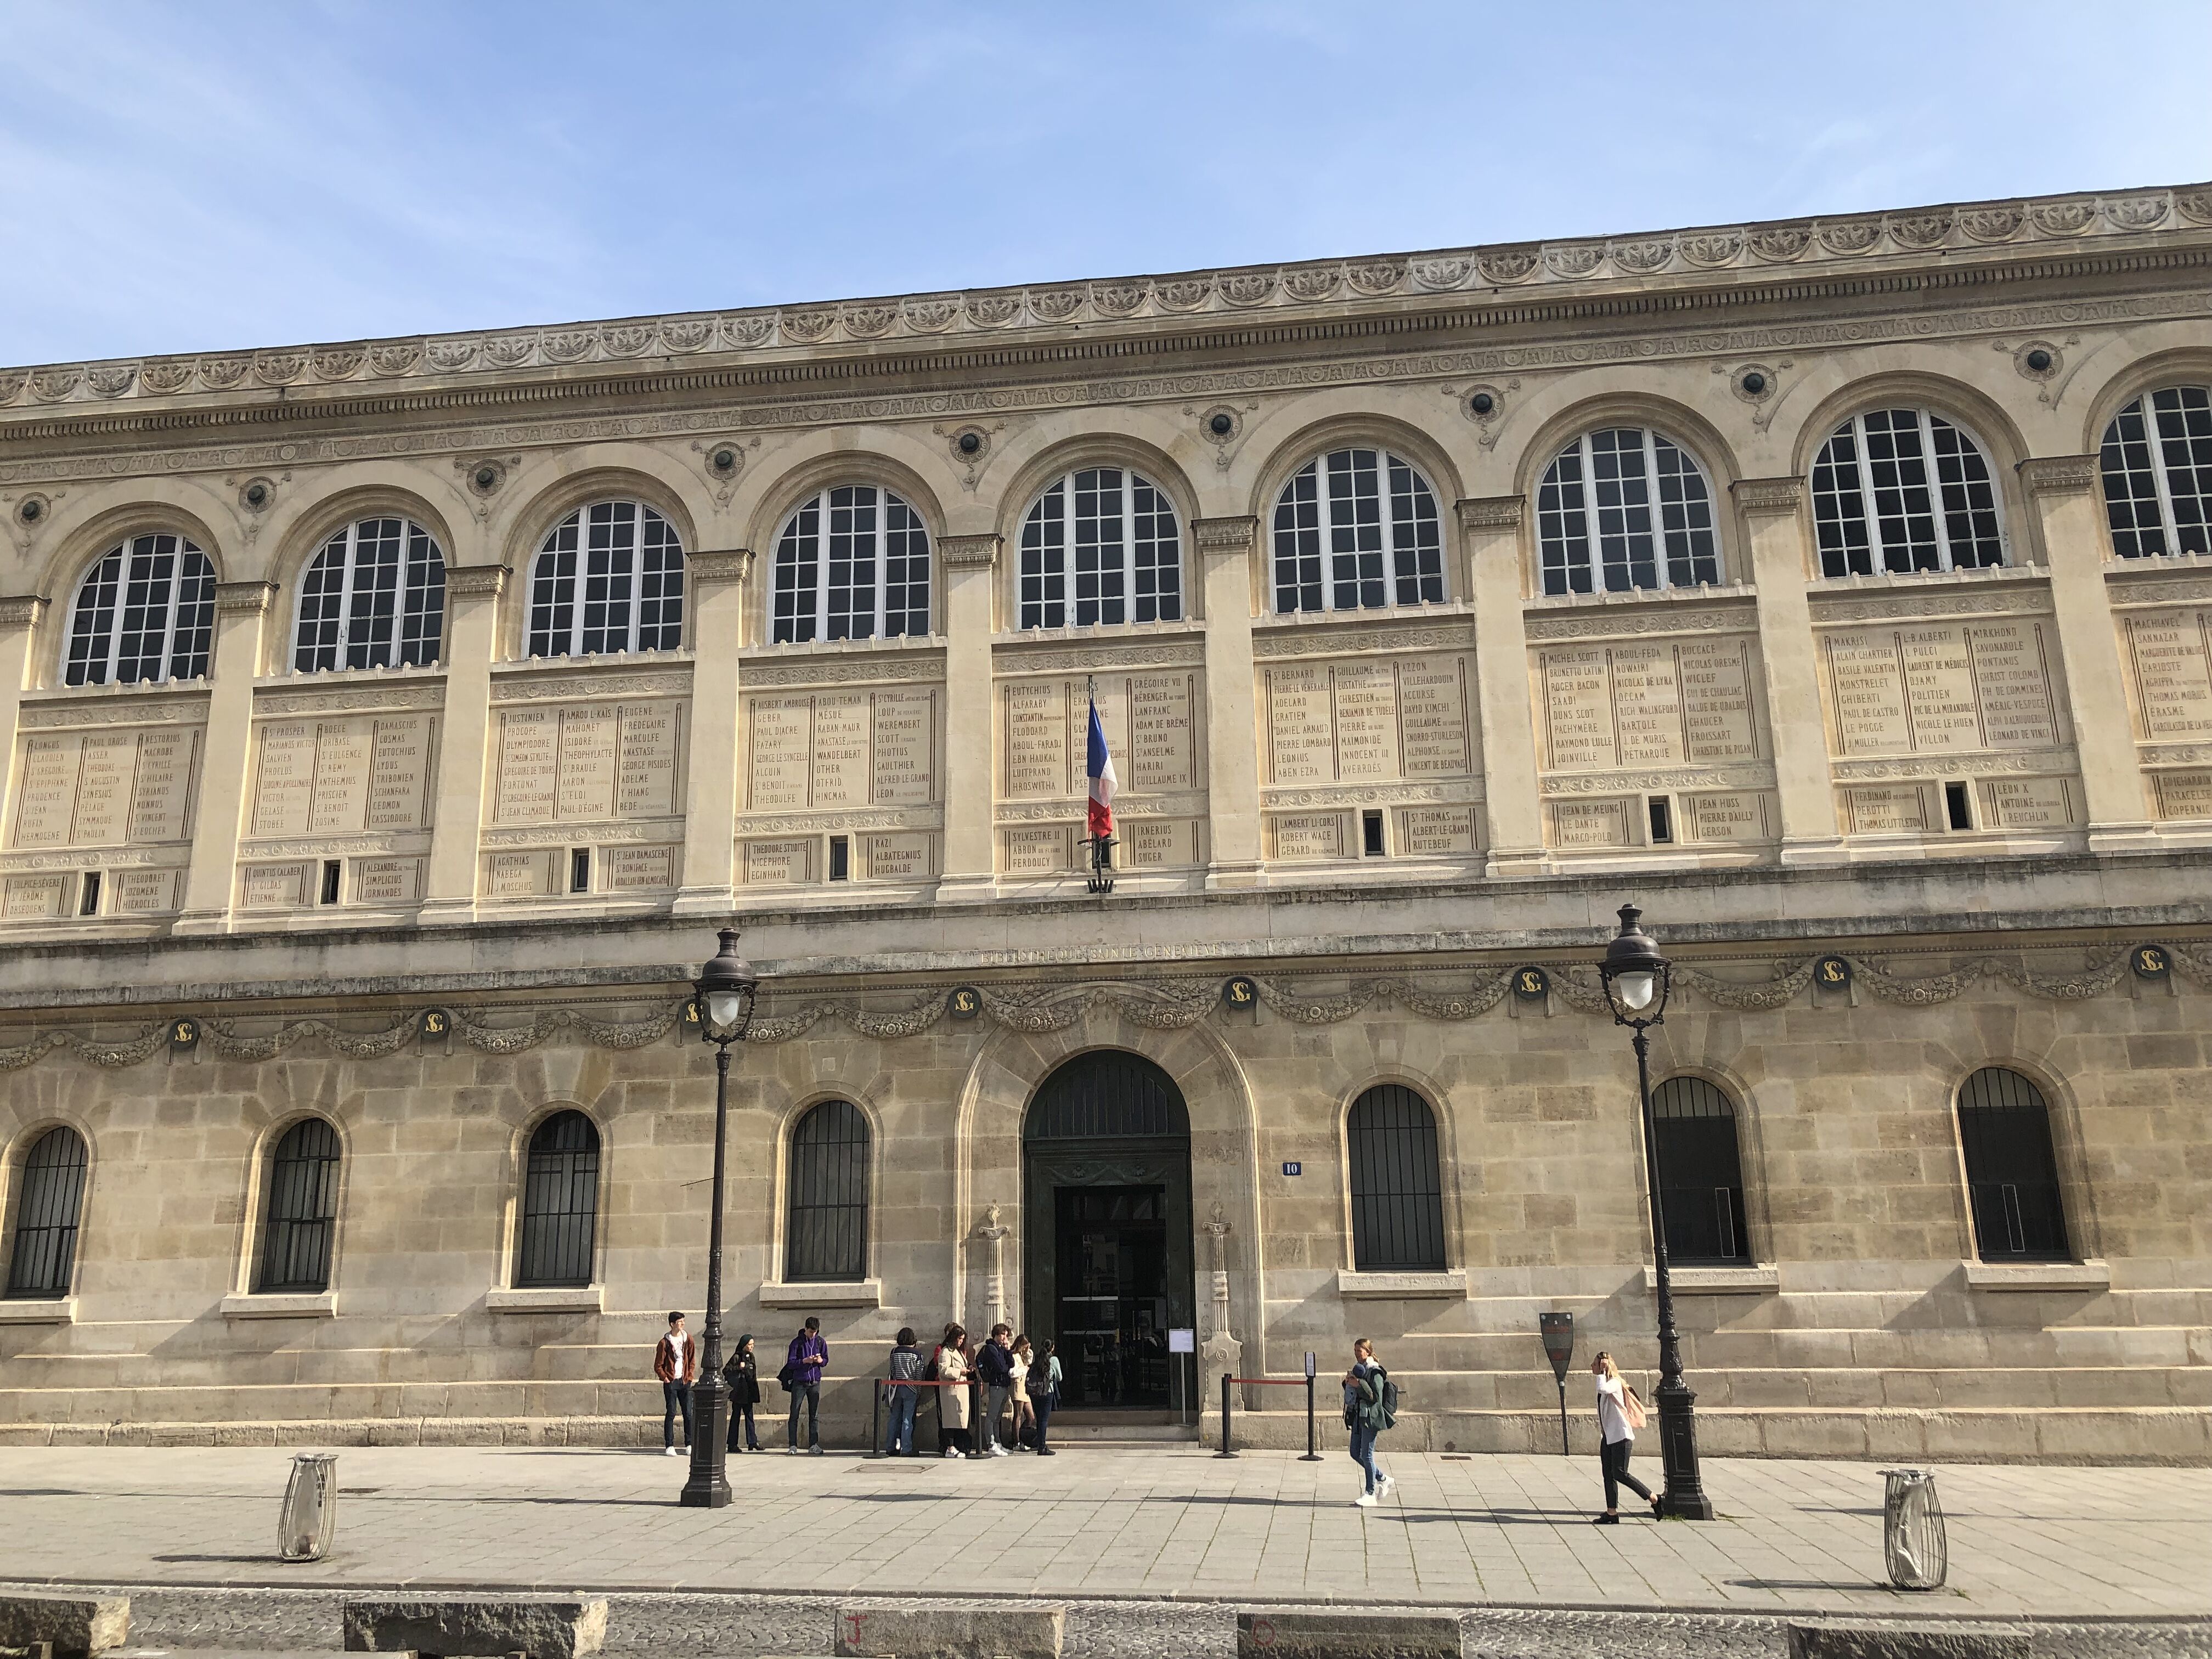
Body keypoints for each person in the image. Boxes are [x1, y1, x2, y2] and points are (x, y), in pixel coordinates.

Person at [1591, 1351, 1660, 1523]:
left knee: (1620, 1473)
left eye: (1595, 1364)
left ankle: (1654, 1499)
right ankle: (1612, 1513)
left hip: (1621, 1437)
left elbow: (1602, 1389)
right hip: (1608, 1438)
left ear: (1603, 1367)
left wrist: (1602, 1373)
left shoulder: (1614, 1383)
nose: (1591, 1367)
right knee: (1608, 1474)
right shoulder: (1608, 1382)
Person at [1341, 1336, 1394, 1506]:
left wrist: (1359, 1385)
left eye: (1360, 1351)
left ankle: (1370, 1493)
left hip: (1371, 1418)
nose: (1357, 1354)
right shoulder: (1360, 1370)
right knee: (1355, 1453)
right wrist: (1349, 1383)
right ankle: (1383, 1478)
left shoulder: (1375, 1371)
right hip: (1359, 1416)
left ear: (1368, 1352)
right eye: (1355, 1351)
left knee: (1367, 1454)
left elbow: (1375, 1397)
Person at [654, 1311, 696, 1458]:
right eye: (680, 1322)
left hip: (685, 1381)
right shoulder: (664, 1343)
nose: (683, 1324)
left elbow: (691, 1360)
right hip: (671, 1381)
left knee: (688, 1413)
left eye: (683, 1321)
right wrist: (665, 1378)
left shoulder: (688, 1339)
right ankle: (670, 1445)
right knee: (671, 1412)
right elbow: (658, 1365)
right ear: (673, 1324)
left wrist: (690, 1376)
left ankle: (689, 1444)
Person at [785, 1316, 828, 1455]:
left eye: (815, 1332)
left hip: (815, 1381)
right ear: (805, 1329)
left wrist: (821, 1361)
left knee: (814, 1414)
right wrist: (804, 1361)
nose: (812, 1335)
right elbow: (790, 1363)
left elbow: (826, 1360)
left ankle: (813, 1444)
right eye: (810, 1332)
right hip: (800, 1381)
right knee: (795, 1413)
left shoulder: (821, 1342)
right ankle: (792, 1445)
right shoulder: (797, 1343)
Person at [883, 1327, 925, 1457]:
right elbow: (919, 1374)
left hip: (896, 1387)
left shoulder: (894, 1352)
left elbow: (892, 1370)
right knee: (907, 1418)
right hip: (910, 1387)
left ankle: (890, 1447)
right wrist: (918, 1390)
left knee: (894, 1418)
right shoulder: (916, 1354)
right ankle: (906, 1448)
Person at [976, 1323, 1015, 1456]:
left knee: (998, 1417)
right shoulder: (991, 1348)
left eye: (1006, 1335)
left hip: (1004, 1384)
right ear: (997, 1335)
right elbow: (1002, 1367)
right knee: (992, 1416)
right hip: (996, 1385)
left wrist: (1008, 1350)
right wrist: (1005, 1363)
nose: (1005, 1337)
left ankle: (998, 1442)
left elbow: (1011, 1364)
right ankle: (991, 1444)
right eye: (1003, 1334)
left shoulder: (1001, 1348)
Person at [934, 1324, 972, 1456]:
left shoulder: (958, 1352)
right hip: (951, 1390)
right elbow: (944, 1370)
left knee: (960, 1419)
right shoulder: (946, 1352)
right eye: (959, 1339)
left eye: (963, 1339)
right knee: (950, 1419)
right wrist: (959, 1371)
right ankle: (950, 1447)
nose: (961, 1341)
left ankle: (958, 1446)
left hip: (961, 1389)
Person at [723, 1333, 761, 1453]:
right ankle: (732, 1444)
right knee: (736, 1417)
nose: (751, 1347)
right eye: (750, 1345)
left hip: (749, 1390)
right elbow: (726, 1370)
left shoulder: (751, 1357)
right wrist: (738, 1367)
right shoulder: (737, 1356)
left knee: (750, 1417)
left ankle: (752, 1442)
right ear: (744, 1345)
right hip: (739, 1392)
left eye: (753, 1345)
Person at [1029, 1338, 1062, 1455]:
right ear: (1052, 1348)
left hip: (1035, 1392)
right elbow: (1060, 1377)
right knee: (1044, 1420)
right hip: (1047, 1392)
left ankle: (1039, 1443)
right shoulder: (1053, 1359)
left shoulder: (1037, 1358)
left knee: (1039, 1419)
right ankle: (1042, 1447)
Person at [1009, 1335, 1036, 1451]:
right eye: (1023, 1347)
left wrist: (1028, 1350)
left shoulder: (1021, 1356)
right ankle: (1016, 1441)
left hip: (1024, 1388)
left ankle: (1022, 1435)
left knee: (1031, 1416)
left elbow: (1029, 1360)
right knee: (1018, 1415)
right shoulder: (1013, 1356)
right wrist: (1024, 1369)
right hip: (1017, 1386)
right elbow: (1012, 1373)